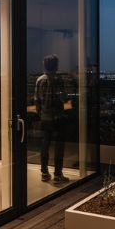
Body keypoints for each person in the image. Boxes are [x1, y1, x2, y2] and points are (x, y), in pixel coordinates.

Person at [34, 54, 68, 184]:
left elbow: (36, 99)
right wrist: (68, 110)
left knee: (45, 145)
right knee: (59, 146)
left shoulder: (39, 80)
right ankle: (58, 174)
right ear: (55, 66)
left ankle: (44, 173)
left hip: (45, 118)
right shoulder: (58, 79)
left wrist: (39, 115)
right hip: (58, 117)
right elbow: (63, 98)